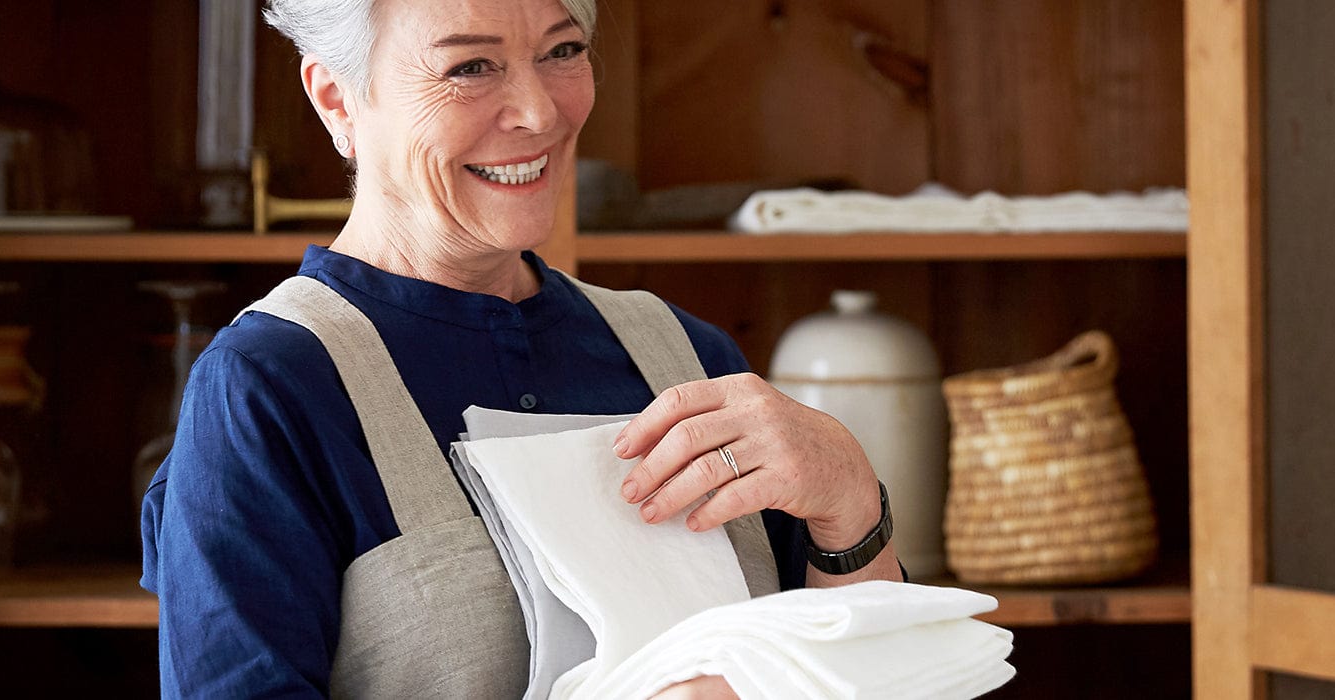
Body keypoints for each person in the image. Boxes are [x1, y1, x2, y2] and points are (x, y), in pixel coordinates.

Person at [139, 0, 904, 696]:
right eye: (470, 67)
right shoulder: (270, 388)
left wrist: (849, 506)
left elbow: (877, 679)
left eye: (563, 51)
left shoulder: (687, 354)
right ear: (337, 97)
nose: (540, 111)